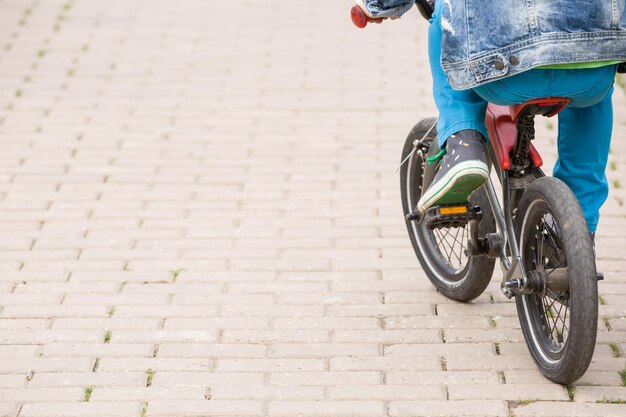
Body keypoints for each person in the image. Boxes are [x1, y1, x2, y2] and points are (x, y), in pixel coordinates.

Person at [355, 0, 626, 235]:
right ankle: (581, 223)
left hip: (503, 73)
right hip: (590, 72)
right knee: (594, 94)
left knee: (446, 18)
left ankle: (463, 144)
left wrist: (378, 7)